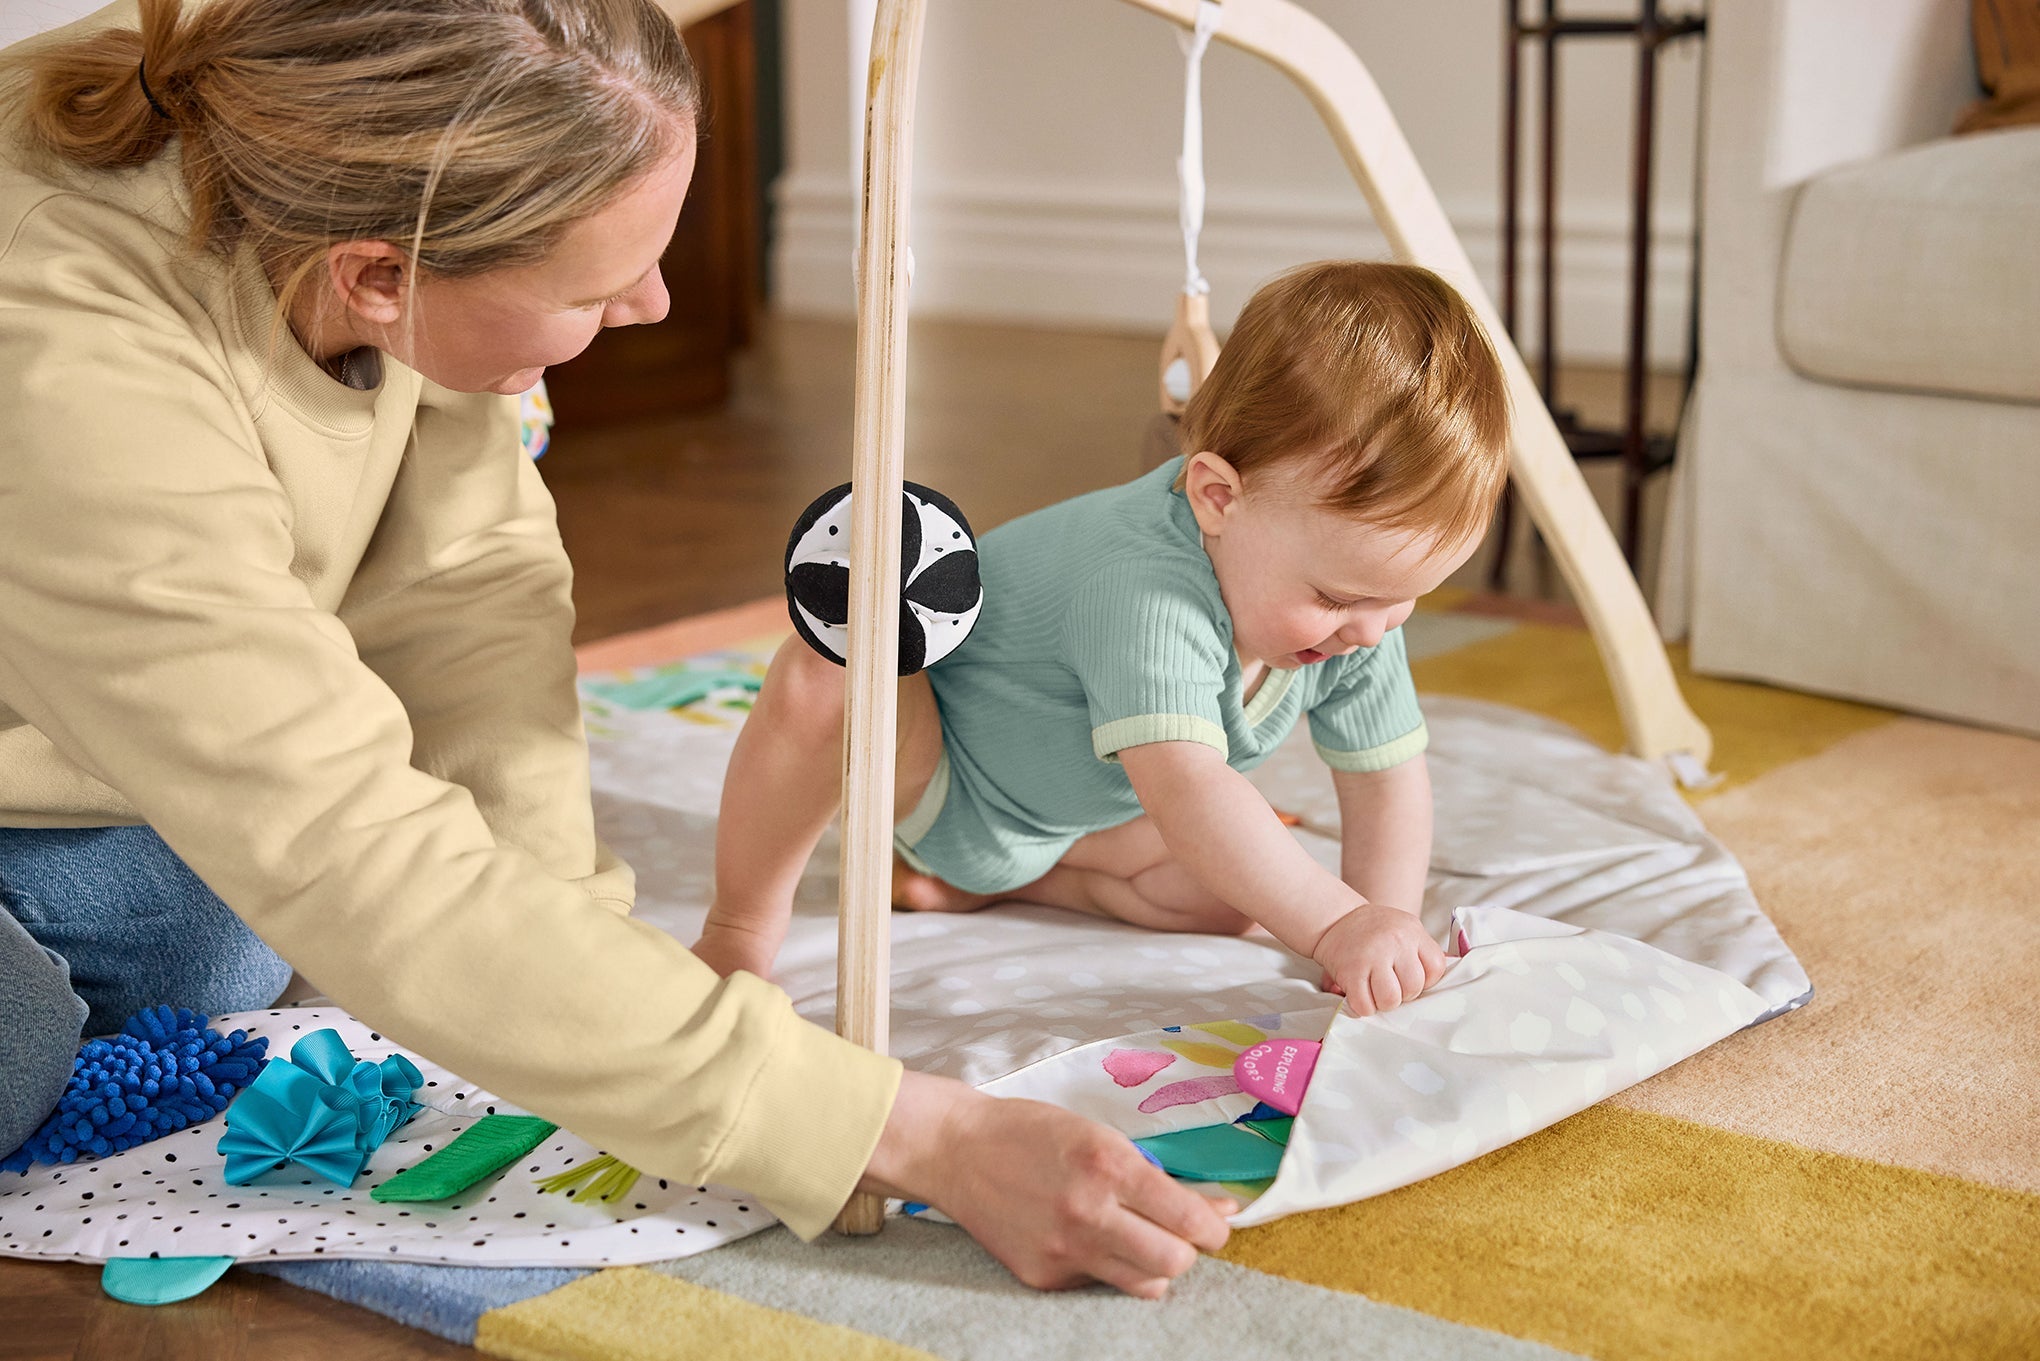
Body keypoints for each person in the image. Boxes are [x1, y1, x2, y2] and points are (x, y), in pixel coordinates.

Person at [0, 0, 1230, 1298]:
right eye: (595, 290)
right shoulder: (70, 368)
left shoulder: (371, 178)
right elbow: (352, 855)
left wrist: (584, 954)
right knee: (49, 1038)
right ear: (377, 275)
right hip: (71, 699)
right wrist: (912, 1130)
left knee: (250, 950)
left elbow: (469, 591)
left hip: (68, 735)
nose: (650, 303)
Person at [702, 261, 1511, 1017]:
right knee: (829, 675)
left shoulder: (1358, 615)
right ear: (1217, 499)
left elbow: (1387, 779)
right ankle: (739, 925)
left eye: (1405, 600)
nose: (1370, 631)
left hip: (1067, 824)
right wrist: (1335, 924)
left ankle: (989, 884)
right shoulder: (1143, 584)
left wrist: (1381, 926)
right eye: (1337, 597)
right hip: (936, 767)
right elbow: (1187, 788)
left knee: (1246, 882)